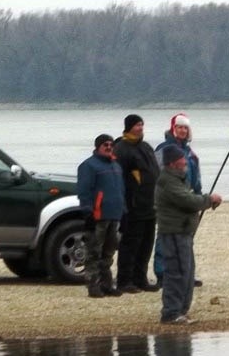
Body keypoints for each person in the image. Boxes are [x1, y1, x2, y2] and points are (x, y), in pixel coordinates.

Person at [155, 144, 222, 324]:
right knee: (176, 273)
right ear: (172, 163)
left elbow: (189, 199)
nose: (185, 161)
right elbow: (187, 200)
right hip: (174, 233)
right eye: (181, 159)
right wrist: (209, 199)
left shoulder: (179, 179)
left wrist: (206, 201)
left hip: (183, 232)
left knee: (187, 272)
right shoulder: (168, 181)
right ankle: (171, 313)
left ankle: (181, 311)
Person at [153, 112, 203, 286]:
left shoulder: (190, 153)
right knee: (164, 236)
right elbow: (157, 174)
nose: (182, 130)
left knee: (187, 235)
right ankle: (162, 273)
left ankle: (186, 271)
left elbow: (196, 176)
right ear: (173, 129)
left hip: (187, 198)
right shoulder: (163, 149)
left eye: (185, 128)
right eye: (179, 127)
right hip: (169, 198)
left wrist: (198, 195)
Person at [113, 113, 161, 293]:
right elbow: (118, 179)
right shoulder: (121, 149)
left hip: (150, 204)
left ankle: (140, 278)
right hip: (132, 206)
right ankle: (124, 280)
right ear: (128, 127)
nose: (140, 128)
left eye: (142, 124)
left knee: (146, 244)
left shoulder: (146, 147)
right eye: (137, 125)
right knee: (130, 244)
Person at [76, 134, 126, 298]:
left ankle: (107, 284)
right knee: (94, 252)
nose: (109, 147)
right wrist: (87, 212)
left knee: (109, 252)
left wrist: (123, 211)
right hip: (98, 216)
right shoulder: (88, 166)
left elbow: (121, 191)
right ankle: (93, 284)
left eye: (111, 144)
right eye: (105, 144)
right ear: (98, 146)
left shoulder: (116, 166)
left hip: (114, 215)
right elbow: (84, 191)